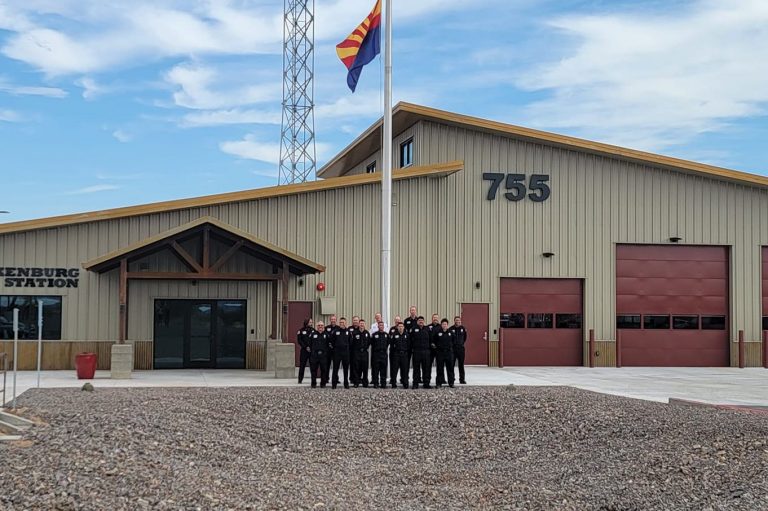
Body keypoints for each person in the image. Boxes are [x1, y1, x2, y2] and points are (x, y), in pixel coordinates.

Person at [410, 316, 432, 389]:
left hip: (426, 351)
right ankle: (415, 384)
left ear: (424, 321)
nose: (421, 321)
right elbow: (410, 340)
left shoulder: (427, 329)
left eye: (422, 320)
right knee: (416, 368)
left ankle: (426, 383)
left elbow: (431, 339)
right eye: (419, 320)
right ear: (417, 321)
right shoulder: (413, 329)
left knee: (426, 368)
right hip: (416, 351)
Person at [331, 317, 352, 389]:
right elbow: (332, 341)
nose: (341, 324)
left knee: (346, 369)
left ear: (345, 323)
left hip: (345, 353)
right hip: (337, 353)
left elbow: (351, 342)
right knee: (335, 369)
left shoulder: (348, 332)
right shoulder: (335, 332)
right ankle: (334, 384)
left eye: (343, 322)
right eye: (340, 322)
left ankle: (346, 383)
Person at [434, 319, 455, 388]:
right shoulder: (437, 332)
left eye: (445, 324)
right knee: (439, 368)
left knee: (450, 368)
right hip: (440, 353)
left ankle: (451, 383)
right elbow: (434, 341)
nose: (444, 325)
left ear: (447, 325)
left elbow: (454, 341)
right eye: (443, 324)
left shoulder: (451, 332)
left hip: (449, 353)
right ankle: (438, 383)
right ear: (441, 325)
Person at [309, 321, 331, 388]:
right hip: (314, 355)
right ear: (317, 326)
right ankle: (313, 383)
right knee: (313, 370)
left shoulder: (326, 335)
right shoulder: (312, 334)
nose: (320, 327)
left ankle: (323, 384)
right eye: (319, 325)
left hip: (323, 355)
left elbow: (329, 345)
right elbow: (309, 344)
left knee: (324, 370)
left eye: (321, 325)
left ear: (323, 326)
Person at [351, 319, 371, 387]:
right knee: (356, 367)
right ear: (359, 324)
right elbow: (352, 343)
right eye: (361, 323)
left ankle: (365, 382)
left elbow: (369, 343)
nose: (362, 325)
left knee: (365, 368)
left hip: (364, 353)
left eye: (363, 323)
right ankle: (356, 382)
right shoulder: (354, 333)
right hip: (356, 352)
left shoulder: (367, 333)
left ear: (364, 324)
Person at [390, 322, 411, 388]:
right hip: (396, 354)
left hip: (404, 354)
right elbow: (391, 345)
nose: (400, 327)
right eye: (399, 326)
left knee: (404, 370)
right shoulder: (394, 335)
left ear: (404, 327)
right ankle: (393, 383)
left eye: (402, 326)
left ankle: (405, 383)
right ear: (397, 327)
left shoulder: (407, 335)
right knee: (394, 370)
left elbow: (409, 345)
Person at [370, 321, 389, 388]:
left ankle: (383, 383)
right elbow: (372, 343)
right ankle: (376, 383)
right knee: (376, 369)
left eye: (382, 325)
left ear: (383, 327)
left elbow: (387, 343)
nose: (381, 326)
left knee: (383, 369)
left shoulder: (386, 335)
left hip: (383, 354)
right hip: (376, 354)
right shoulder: (374, 335)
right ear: (378, 326)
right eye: (380, 325)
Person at [449, 316, 468, 384]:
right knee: (452, 365)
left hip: (461, 349)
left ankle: (462, 379)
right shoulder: (451, 329)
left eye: (459, 320)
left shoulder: (463, 328)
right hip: (453, 349)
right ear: (454, 321)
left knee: (461, 365)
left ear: (460, 321)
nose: (458, 321)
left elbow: (465, 338)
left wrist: (461, 344)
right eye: (456, 320)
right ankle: (452, 379)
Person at [296, 318, 314, 384]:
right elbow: (299, 341)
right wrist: (306, 347)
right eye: (310, 322)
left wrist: (311, 347)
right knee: (302, 365)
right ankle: (300, 379)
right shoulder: (301, 331)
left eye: (312, 322)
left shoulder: (313, 331)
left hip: (311, 351)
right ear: (306, 322)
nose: (311, 323)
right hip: (304, 350)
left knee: (312, 365)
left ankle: (313, 379)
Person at [324, 315, 340, 383]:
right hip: (328, 350)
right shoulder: (326, 328)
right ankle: (326, 378)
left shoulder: (338, 328)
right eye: (332, 319)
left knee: (336, 365)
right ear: (330, 320)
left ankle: (336, 379)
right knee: (327, 365)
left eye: (334, 319)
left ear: (336, 320)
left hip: (335, 350)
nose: (333, 320)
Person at [388, 315, 402, 387]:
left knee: (402, 366)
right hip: (393, 351)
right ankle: (392, 379)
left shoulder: (402, 328)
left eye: (398, 320)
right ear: (394, 321)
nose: (397, 321)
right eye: (396, 320)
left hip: (401, 351)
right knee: (393, 366)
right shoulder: (392, 329)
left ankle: (402, 379)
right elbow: (390, 339)